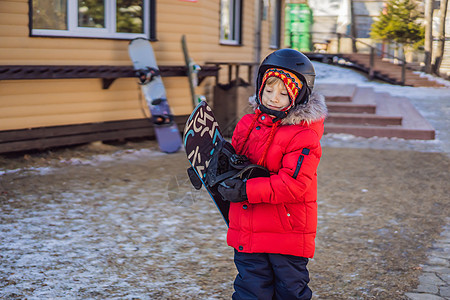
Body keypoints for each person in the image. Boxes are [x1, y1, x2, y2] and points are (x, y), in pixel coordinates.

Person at [217, 49, 327, 300]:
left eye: (283, 93)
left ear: (299, 96)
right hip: (248, 226)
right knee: (250, 291)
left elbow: (293, 184)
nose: (274, 99)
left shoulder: (303, 135)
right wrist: (214, 167)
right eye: (268, 91)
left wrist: (245, 190)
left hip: (286, 232)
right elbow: (238, 166)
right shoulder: (246, 124)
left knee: (289, 292)